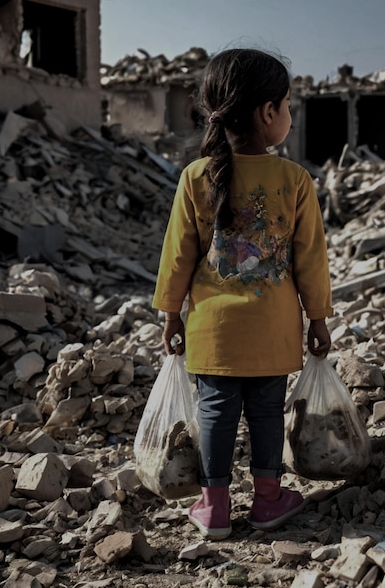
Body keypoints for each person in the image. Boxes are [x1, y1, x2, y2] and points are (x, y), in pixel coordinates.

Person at [152, 47, 333, 540]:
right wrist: (318, 318)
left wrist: (171, 314)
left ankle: (213, 508)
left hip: (213, 331)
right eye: (288, 105)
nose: (289, 116)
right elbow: (311, 259)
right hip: (273, 329)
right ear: (267, 112)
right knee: (267, 411)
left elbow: (178, 255)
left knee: (215, 411)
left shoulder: (195, 177)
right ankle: (269, 500)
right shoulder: (295, 180)